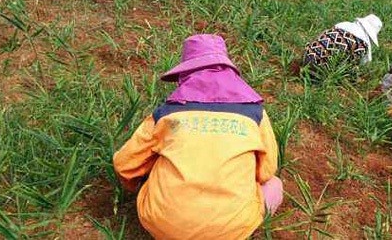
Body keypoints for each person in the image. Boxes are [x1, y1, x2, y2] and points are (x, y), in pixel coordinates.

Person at [113, 34, 282, 239]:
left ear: (186, 75)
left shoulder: (166, 114)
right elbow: (266, 171)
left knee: (155, 163)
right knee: (274, 184)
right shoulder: (255, 114)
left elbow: (125, 164)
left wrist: (138, 185)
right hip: (231, 229)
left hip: (164, 225)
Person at [302, 14, 383, 75]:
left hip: (306, 54)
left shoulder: (343, 24)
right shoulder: (362, 44)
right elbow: (361, 65)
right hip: (318, 68)